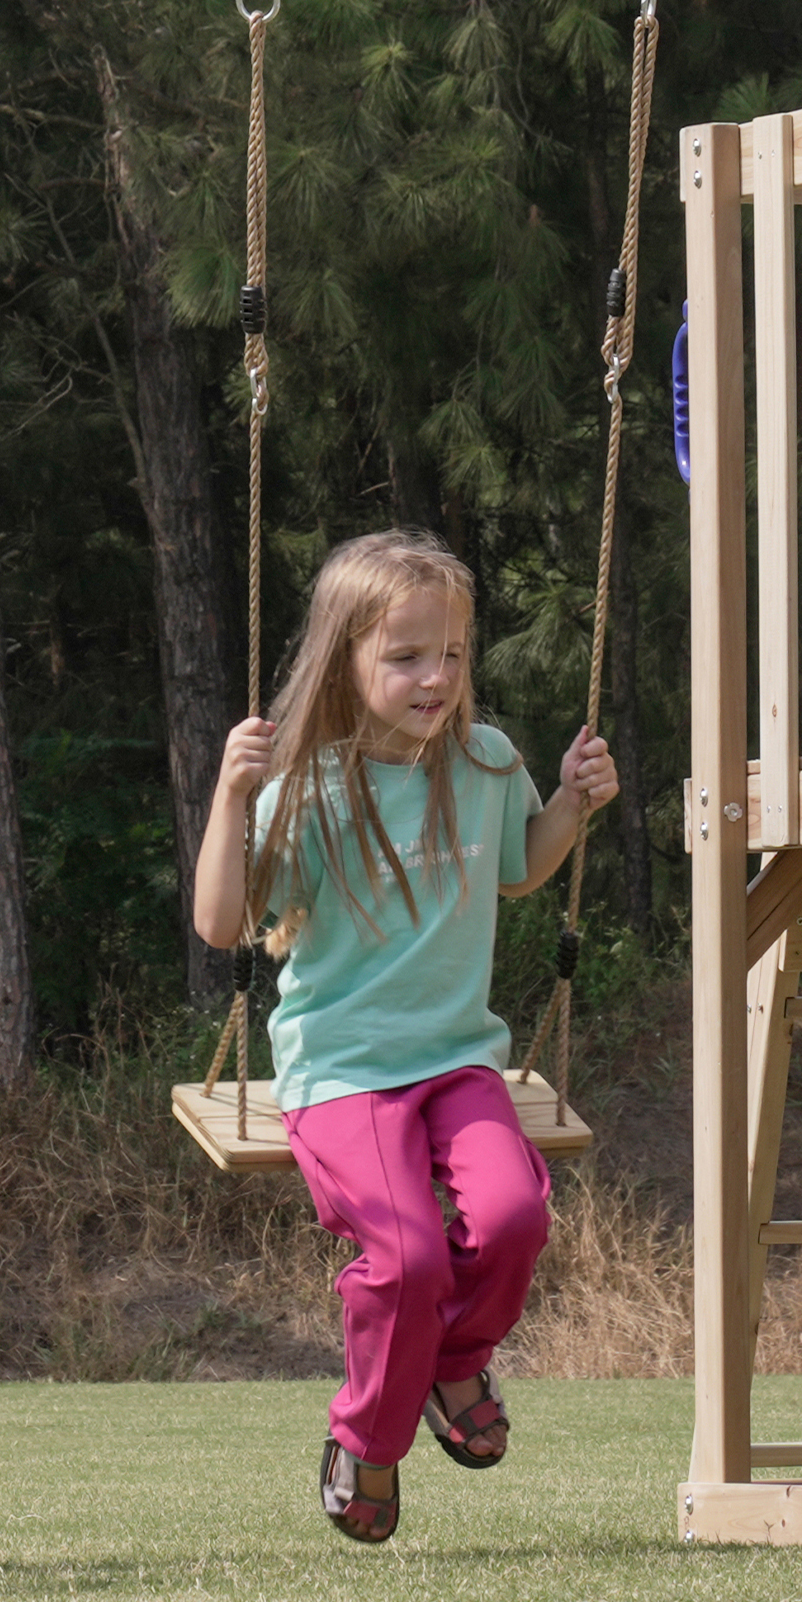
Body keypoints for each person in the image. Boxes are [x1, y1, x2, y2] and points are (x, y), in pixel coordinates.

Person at [189, 530, 620, 1546]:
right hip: (341, 1074)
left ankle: (456, 1362)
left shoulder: (483, 759)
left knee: (514, 1218)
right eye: (406, 657)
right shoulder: (306, 789)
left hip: (457, 1058)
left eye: (454, 655)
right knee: (406, 1257)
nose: (437, 678)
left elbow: (517, 866)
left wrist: (569, 800)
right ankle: (368, 1439)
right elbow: (218, 925)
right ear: (347, 661)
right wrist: (228, 795)